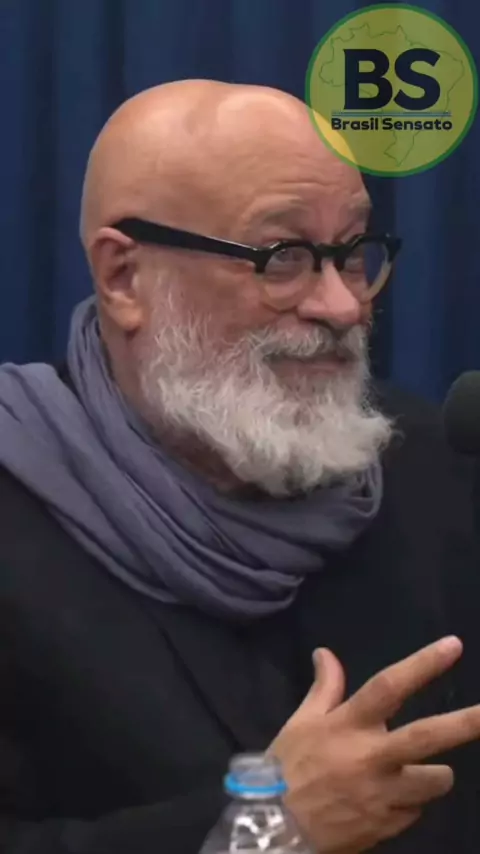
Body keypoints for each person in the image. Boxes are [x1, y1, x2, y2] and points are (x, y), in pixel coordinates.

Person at [0, 79, 479, 854]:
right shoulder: (17, 510)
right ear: (124, 278)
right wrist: (266, 829)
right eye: (284, 257)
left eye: (352, 253)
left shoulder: (429, 459)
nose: (342, 307)